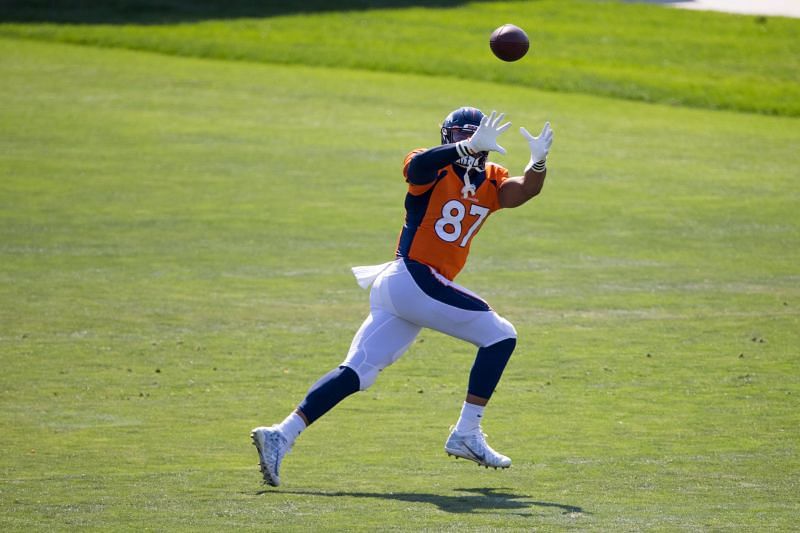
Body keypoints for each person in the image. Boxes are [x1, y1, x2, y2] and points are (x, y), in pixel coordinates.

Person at [251, 107, 554, 486]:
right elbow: (416, 169)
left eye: (475, 135)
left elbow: (523, 190)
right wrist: (466, 148)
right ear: (448, 136)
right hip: (414, 276)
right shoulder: (432, 165)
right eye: (461, 134)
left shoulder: (490, 179)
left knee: (358, 371)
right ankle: (466, 432)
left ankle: (281, 434)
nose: (469, 141)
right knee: (501, 335)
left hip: (405, 289)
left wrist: (538, 161)